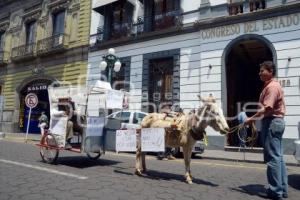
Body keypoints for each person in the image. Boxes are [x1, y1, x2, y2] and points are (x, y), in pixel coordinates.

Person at [244, 61, 288, 200]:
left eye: (262, 71)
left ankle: (275, 192)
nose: (259, 73)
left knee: (272, 159)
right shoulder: (271, 86)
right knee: (278, 158)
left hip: (272, 122)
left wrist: (251, 119)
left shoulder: (272, 87)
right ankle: (282, 189)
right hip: (276, 122)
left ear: (270, 71)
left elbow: (268, 108)